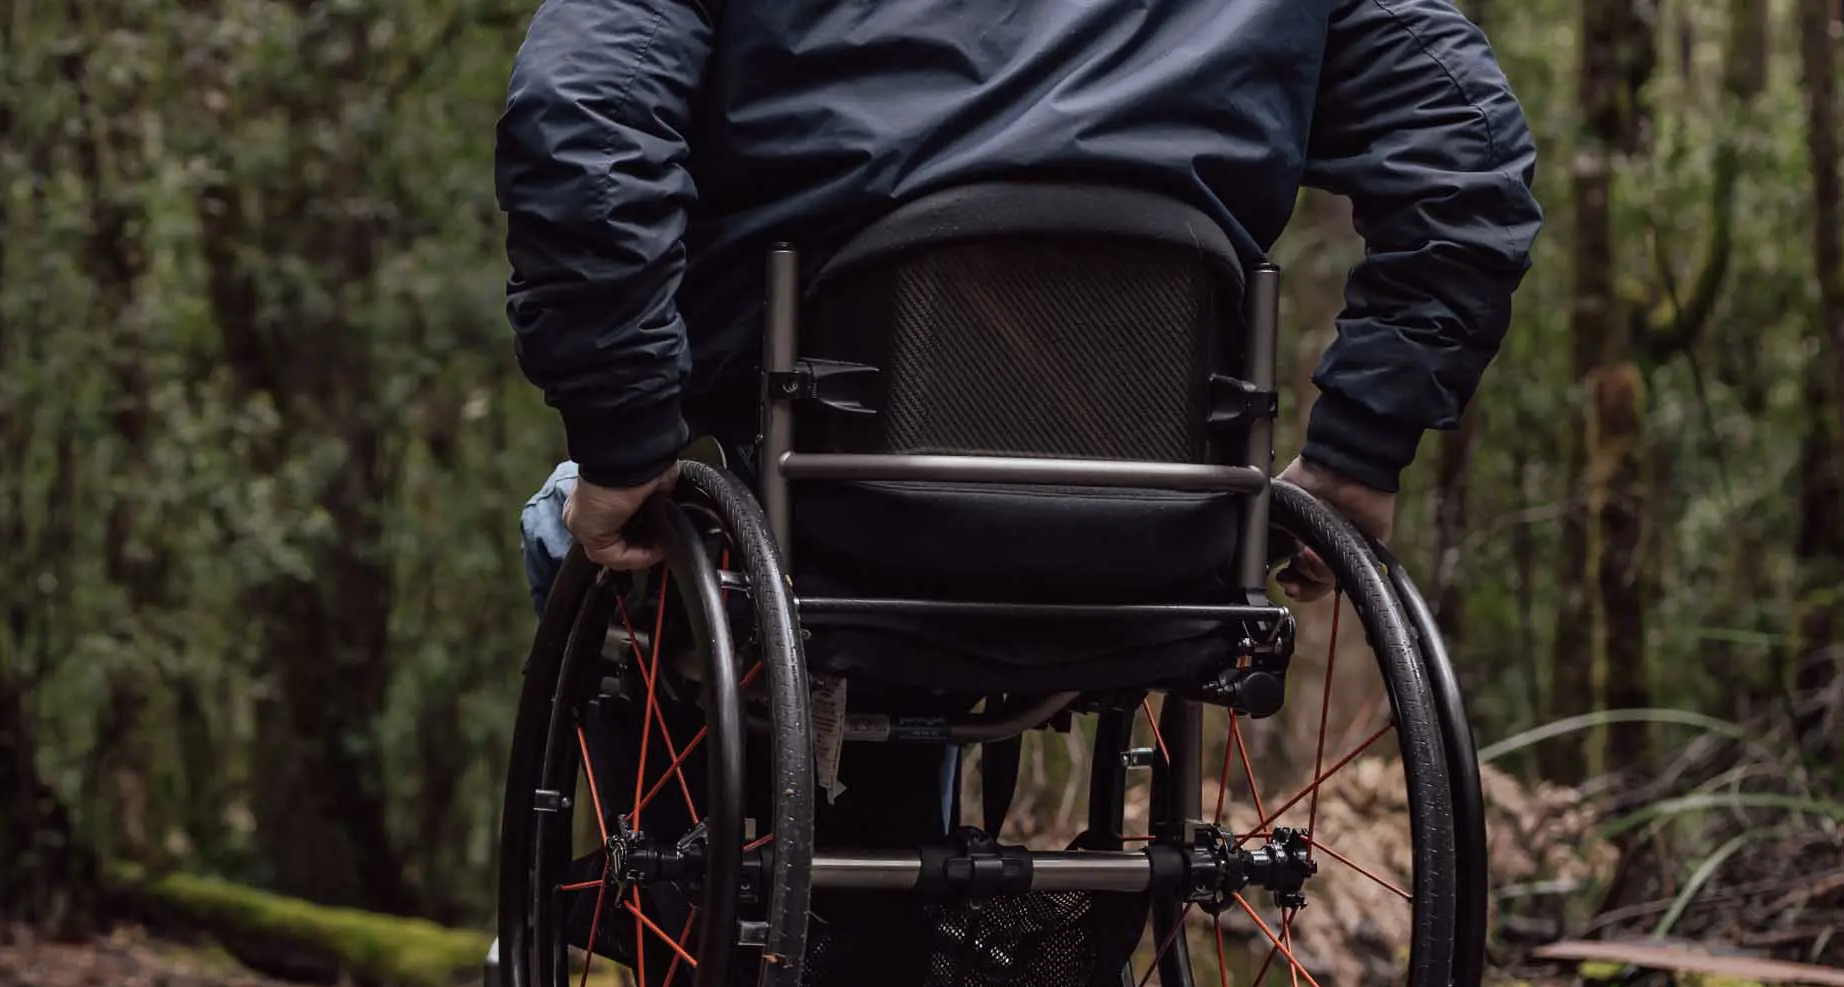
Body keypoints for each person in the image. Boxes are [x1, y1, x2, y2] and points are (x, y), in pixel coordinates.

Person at [495, 0, 1540, 603]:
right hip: (1160, 503)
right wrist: (1359, 443)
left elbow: (576, 115)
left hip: (824, 491)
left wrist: (628, 434)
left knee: (568, 518)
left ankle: (694, 917)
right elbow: (1468, 165)